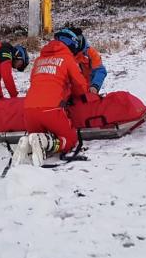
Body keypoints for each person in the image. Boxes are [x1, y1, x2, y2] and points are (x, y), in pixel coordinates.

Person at [12, 28, 89, 166]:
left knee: (39, 135)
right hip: (52, 109)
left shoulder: (39, 60)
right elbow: (81, 86)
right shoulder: (67, 59)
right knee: (69, 139)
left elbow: (34, 82)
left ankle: (29, 142)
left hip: (29, 111)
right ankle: (46, 142)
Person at [70, 27, 107, 94]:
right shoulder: (64, 54)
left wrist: (95, 85)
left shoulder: (91, 53)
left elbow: (100, 70)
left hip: (89, 90)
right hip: (70, 91)